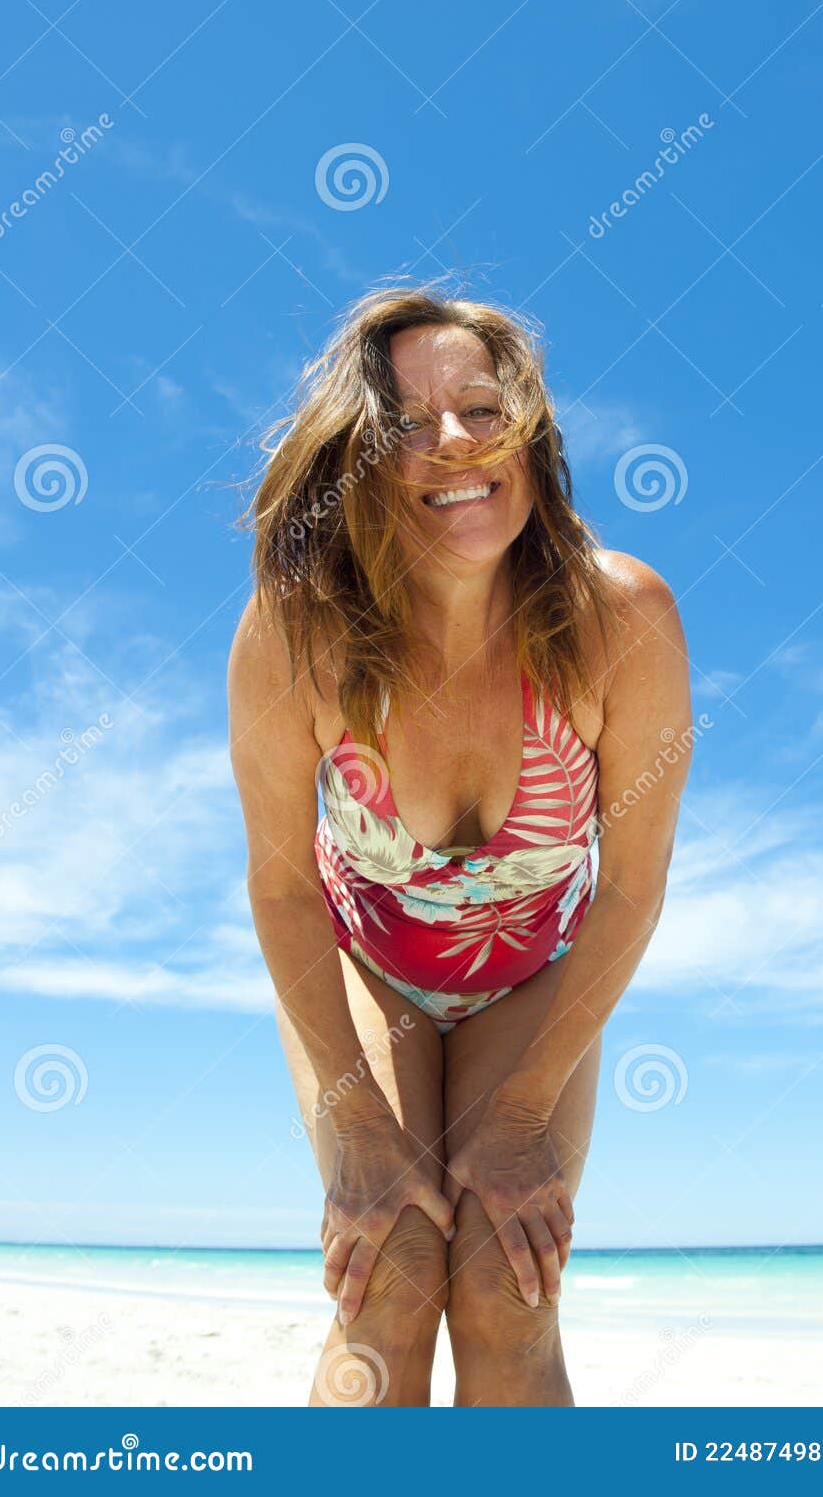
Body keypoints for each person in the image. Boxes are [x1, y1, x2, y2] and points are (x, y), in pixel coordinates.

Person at [228, 285, 691, 1406]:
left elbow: (630, 891)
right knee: (387, 1275)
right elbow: (287, 891)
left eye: (483, 409)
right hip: (366, 968)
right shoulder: (299, 635)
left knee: (505, 1283)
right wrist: (355, 1121)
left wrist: (526, 1112)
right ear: (359, 458)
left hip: (533, 978)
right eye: (402, 422)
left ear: (530, 433)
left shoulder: (620, 618)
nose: (451, 442)